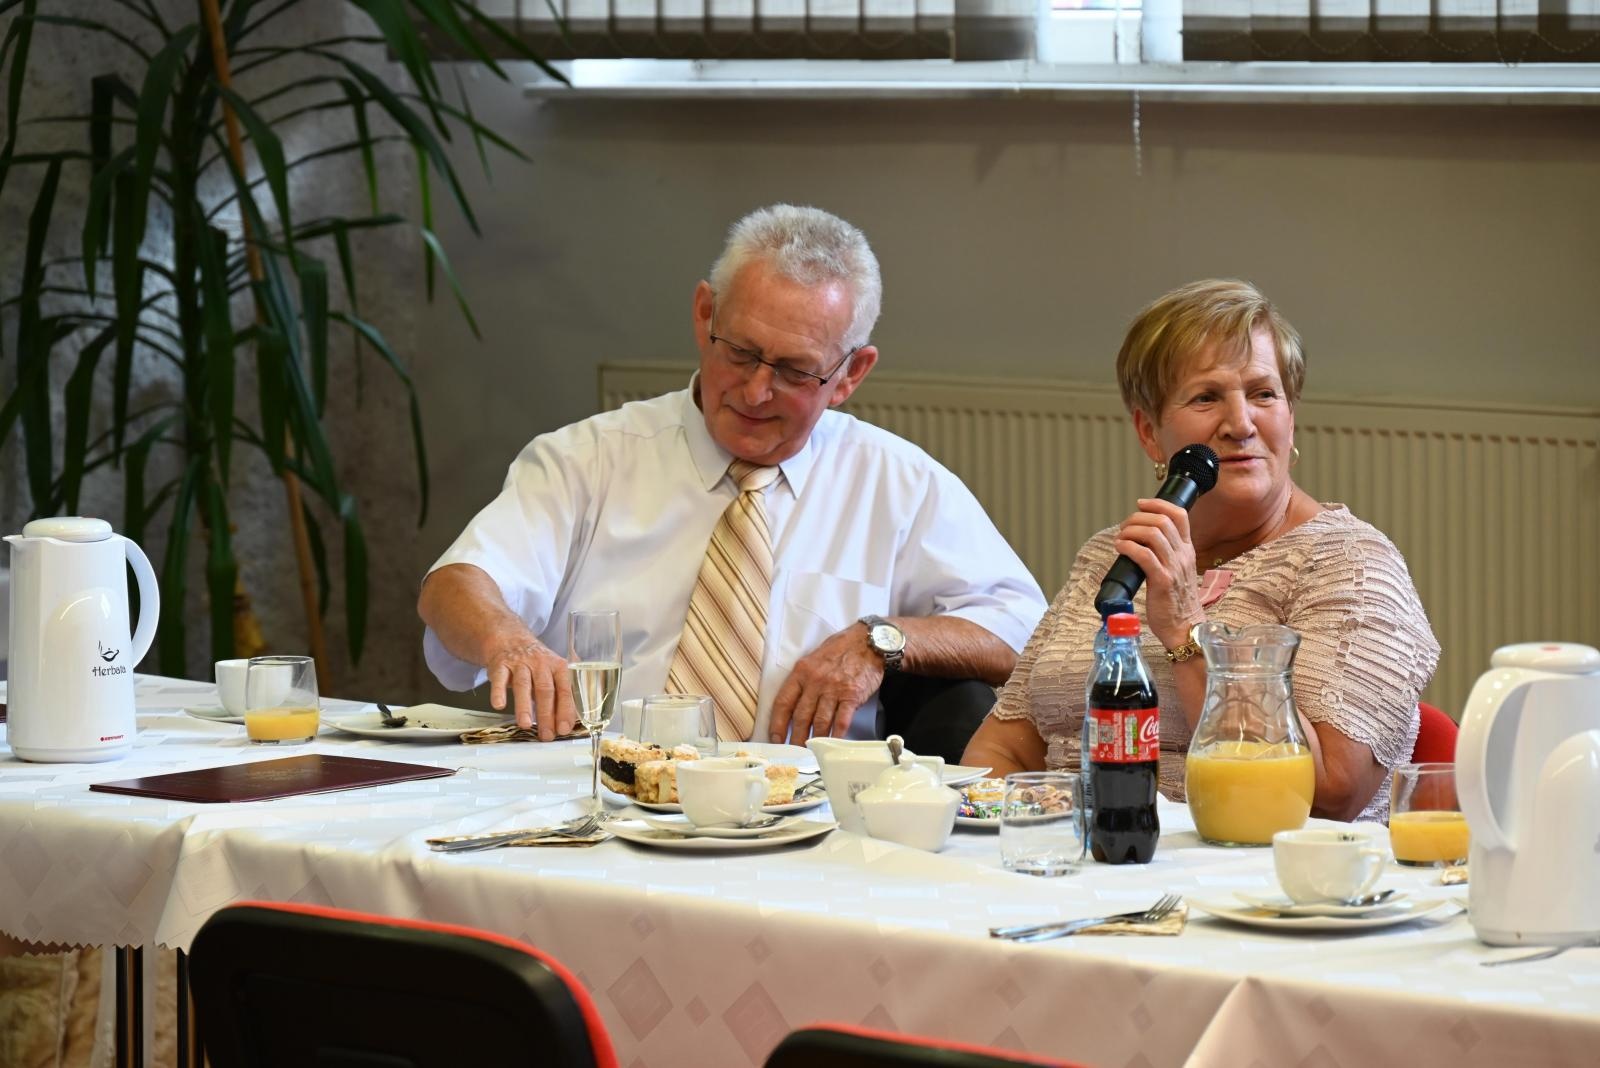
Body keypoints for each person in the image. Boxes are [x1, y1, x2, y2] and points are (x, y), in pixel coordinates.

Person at [419, 204, 1046, 752]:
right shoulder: (588, 458)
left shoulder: (899, 484)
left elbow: (1025, 630)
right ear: (703, 315)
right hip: (596, 787)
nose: (754, 390)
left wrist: (881, 638)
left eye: (796, 371)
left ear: (851, 374)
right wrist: (511, 642)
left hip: (806, 813)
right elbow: (456, 584)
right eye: (740, 352)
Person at [962, 279, 1439, 822]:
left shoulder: (1350, 564)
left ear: (1290, 415)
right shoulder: (1113, 555)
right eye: (1207, 397)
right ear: (1149, 433)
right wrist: (991, 834)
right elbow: (1005, 746)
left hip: (1245, 877)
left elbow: (1331, 789)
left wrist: (1189, 629)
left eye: (1264, 394)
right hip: (1070, 862)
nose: (1240, 424)